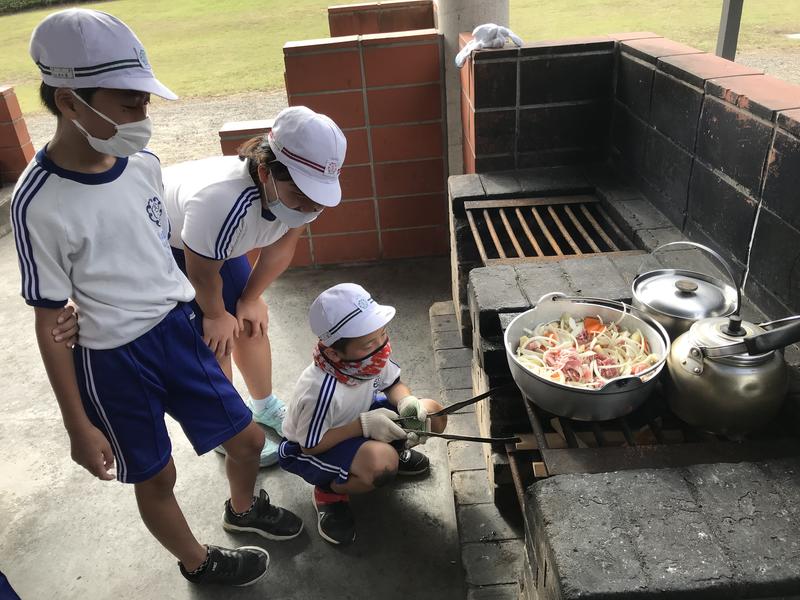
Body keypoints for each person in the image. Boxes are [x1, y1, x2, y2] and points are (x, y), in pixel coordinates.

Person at [13, 8, 301, 587]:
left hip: (176, 331)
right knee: (157, 474)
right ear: (70, 101)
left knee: (245, 438)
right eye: (129, 103)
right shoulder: (37, 202)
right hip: (112, 360)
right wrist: (77, 425)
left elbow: (154, 255)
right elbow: (49, 321)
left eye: (145, 100)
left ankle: (241, 511)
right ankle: (198, 562)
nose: (143, 116)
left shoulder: (141, 163)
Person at [162, 106, 346, 466]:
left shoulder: (296, 195)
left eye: (317, 199)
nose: (310, 207)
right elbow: (201, 272)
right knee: (215, 341)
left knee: (251, 323)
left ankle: (263, 406)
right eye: (302, 197)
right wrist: (215, 314)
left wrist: (250, 298)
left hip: (215, 244)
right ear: (266, 172)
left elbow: (283, 246)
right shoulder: (220, 202)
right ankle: (227, 428)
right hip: (173, 245)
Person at [279, 283, 448, 545]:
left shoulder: (367, 359)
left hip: (360, 419)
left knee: (433, 414)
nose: (381, 347)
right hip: (317, 446)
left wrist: (407, 403)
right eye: (369, 343)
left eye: (382, 335)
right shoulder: (319, 390)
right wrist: (363, 426)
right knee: (382, 464)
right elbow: (310, 445)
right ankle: (328, 494)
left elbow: (393, 384)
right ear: (334, 352)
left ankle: (391, 448)